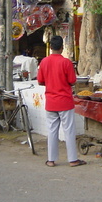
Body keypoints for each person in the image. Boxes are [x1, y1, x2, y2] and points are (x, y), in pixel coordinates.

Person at [37, 35, 86, 167]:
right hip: (65, 101)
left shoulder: (44, 62)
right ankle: (73, 160)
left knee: (52, 131)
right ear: (62, 47)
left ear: (51, 47)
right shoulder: (66, 62)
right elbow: (72, 81)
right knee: (69, 131)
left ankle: (51, 160)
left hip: (51, 102)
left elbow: (40, 81)